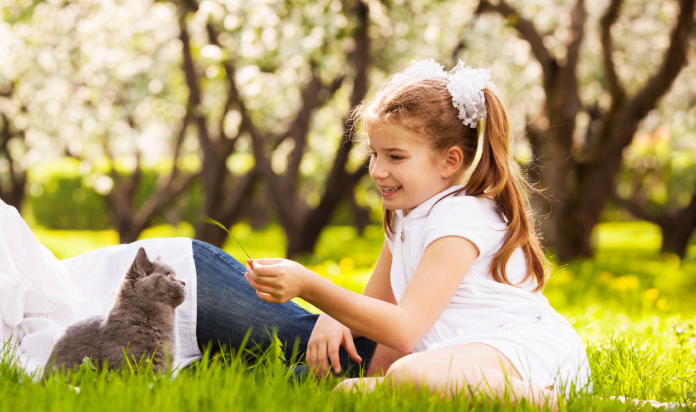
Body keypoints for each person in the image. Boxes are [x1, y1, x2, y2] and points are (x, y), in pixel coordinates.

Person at [0, 74, 375, 382]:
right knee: (312, 382)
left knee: (353, 353)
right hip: (142, 363)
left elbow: (56, 314)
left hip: (173, 287)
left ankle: (449, 338)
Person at [243, 60, 590, 406]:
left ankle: (545, 402)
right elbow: (380, 311)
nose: (378, 170)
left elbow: (404, 328)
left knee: (408, 375)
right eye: (374, 154)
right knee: (387, 377)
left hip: (521, 352)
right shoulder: (406, 214)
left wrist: (309, 285)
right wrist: (342, 330)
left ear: (449, 161)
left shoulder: (462, 217)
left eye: (395, 156)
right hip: (449, 358)